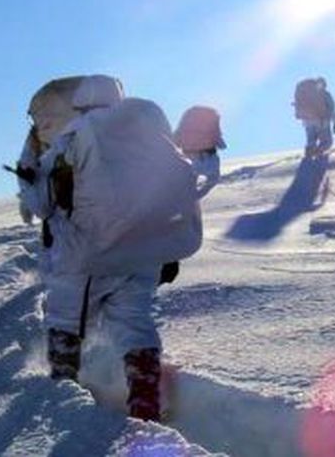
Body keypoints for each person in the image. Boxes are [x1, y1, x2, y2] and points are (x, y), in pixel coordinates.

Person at [15, 75, 199, 422]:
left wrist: (27, 173)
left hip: (86, 256)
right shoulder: (150, 134)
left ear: (81, 103)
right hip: (143, 254)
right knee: (136, 325)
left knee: (65, 321)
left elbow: (43, 203)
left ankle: (61, 400)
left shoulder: (75, 136)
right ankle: (145, 403)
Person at [173, 105, 227, 197]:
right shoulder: (210, 125)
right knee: (212, 178)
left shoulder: (185, 127)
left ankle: (192, 196)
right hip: (207, 155)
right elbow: (218, 139)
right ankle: (194, 197)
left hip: (192, 156)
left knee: (192, 178)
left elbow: (176, 140)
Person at [294, 77, 335, 158]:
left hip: (307, 121)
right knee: (327, 142)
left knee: (311, 141)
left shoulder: (309, 96)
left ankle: (309, 155)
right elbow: (332, 109)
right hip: (322, 121)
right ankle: (318, 154)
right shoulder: (325, 94)